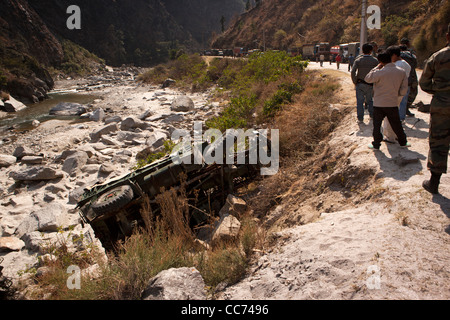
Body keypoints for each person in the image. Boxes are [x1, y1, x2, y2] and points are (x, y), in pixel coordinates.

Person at [419, 24, 450, 194]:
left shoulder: (438, 57)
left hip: (442, 106)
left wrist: (440, 92)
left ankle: (434, 183)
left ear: (447, 37)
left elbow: (423, 83)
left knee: (438, 142)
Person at [364, 52, 410, 150]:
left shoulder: (379, 72)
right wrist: (399, 95)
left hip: (379, 103)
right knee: (396, 124)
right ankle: (403, 142)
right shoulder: (401, 71)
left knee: (377, 125)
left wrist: (376, 67)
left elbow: (367, 78)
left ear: (380, 61)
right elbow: (404, 88)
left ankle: (376, 144)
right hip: (392, 102)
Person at [351, 43, 379, 122]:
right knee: (370, 100)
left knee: (360, 101)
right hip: (370, 84)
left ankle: (360, 118)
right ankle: (372, 115)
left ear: (362, 50)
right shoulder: (375, 61)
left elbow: (353, 71)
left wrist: (355, 81)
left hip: (360, 83)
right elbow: (378, 71)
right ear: (371, 51)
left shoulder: (358, 60)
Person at [387, 45, 411, 122]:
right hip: (405, 86)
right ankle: (401, 118)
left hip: (396, 87)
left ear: (394, 55)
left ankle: (396, 119)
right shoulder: (406, 64)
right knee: (403, 103)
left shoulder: (397, 65)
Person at [400, 41, 418, 117]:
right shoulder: (412, 56)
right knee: (408, 95)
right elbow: (415, 66)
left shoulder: (397, 56)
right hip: (410, 79)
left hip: (398, 79)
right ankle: (405, 110)